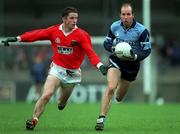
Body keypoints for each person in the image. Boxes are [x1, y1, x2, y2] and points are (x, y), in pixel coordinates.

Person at [2, 6, 108, 130]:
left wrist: (99, 65)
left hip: (73, 74)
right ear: (64, 19)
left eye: (76, 18)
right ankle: (34, 120)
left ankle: (62, 103)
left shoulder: (82, 35)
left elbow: (91, 53)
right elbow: (36, 35)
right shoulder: (54, 31)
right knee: (46, 95)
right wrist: (18, 38)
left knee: (61, 104)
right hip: (57, 69)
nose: (75, 21)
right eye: (71, 18)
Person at [95, 3, 151, 131]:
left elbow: (147, 50)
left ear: (133, 15)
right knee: (110, 87)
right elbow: (106, 43)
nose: (126, 17)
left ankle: (120, 83)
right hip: (117, 61)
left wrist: (136, 57)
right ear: (120, 15)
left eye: (128, 14)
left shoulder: (142, 31)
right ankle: (101, 118)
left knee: (119, 97)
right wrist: (113, 49)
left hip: (131, 66)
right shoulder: (114, 26)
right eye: (123, 14)